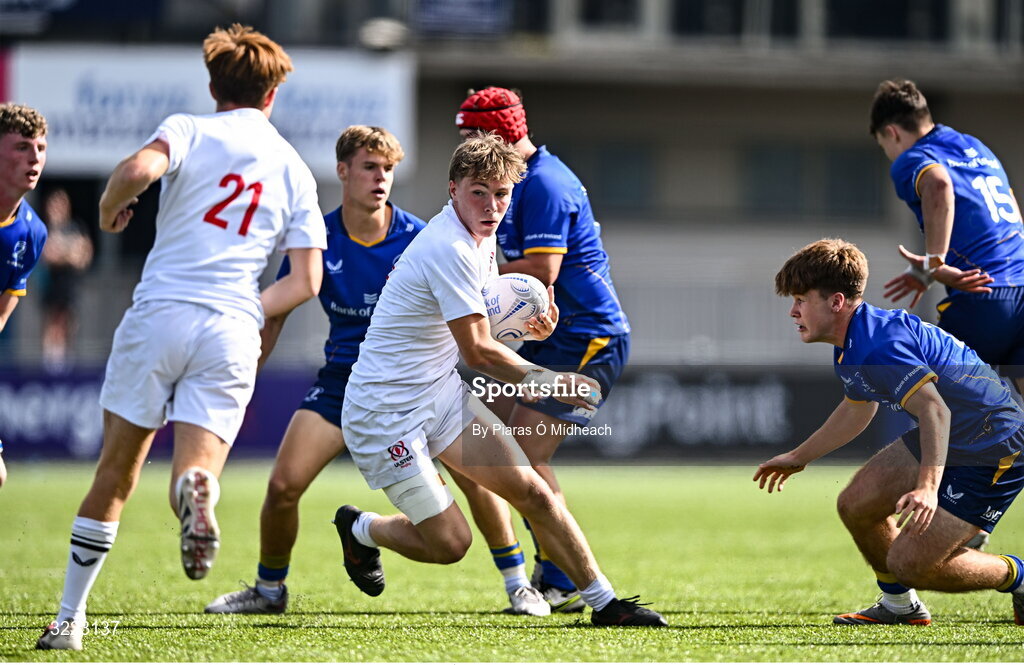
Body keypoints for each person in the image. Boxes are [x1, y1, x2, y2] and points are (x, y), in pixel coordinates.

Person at [37, 24, 326, 651]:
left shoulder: (191, 128)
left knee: (116, 470)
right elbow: (306, 279)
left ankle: (68, 620)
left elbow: (140, 168)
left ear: (214, 84)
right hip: (230, 328)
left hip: (162, 311)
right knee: (195, 469)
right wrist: (248, 308)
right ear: (273, 93)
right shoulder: (294, 169)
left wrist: (113, 208)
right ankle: (199, 494)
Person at [335, 133, 666, 627]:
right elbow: (477, 350)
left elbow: (487, 331)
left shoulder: (481, 237)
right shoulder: (449, 247)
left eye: (502, 193)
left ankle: (606, 603)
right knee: (451, 545)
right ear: (453, 190)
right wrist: (549, 380)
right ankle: (361, 529)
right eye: (479, 192)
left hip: (439, 393)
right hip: (383, 413)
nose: (492, 206)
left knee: (533, 491)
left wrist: (533, 332)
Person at [204, 125, 426, 614]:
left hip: (407, 387)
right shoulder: (317, 239)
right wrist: (244, 380)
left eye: (388, 169)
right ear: (343, 172)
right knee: (283, 487)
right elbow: (277, 311)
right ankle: (268, 591)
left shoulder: (419, 238)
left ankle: (518, 583)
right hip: (341, 385)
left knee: (476, 475)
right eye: (369, 167)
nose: (380, 178)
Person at [755, 238, 1024, 626]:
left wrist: (927, 488)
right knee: (856, 504)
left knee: (912, 563)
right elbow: (856, 407)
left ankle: (1018, 574)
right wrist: (799, 458)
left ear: (835, 302)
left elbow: (934, 409)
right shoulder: (853, 339)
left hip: (994, 444)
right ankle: (900, 606)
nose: (793, 311)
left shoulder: (877, 346)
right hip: (953, 431)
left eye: (800, 299)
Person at [451, 86, 631, 612]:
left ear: (495, 131)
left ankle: (560, 577)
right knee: (492, 446)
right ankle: (546, 572)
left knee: (527, 453)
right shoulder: (518, 180)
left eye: (470, 133)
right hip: (555, 335)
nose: (463, 142)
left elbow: (543, 271)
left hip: (589, 336)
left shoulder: (546, 183)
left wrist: (468, 279)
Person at [872, 80, 1024, 397]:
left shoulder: (912, 158)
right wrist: (925, 270)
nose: (889, 155)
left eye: (883, 146)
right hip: (1021, 288)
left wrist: (934, 261)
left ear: (892, 133)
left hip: (984, 295)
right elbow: (1009, 203)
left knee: (931, 403)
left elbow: (939, 185)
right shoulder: (976, 147)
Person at [0, 102, 49, 490]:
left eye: (41, 148)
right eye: (22, 147)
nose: (35, 158)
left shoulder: (33, 233)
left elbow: (5, 306)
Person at [41, 188, 93, 371]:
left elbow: (83, 256)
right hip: (52, 288)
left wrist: (65, 251)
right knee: (53, 325)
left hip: (71, 287)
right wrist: (69, 249)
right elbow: (49, 254)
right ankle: (51, 367)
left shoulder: (76, 227)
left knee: (69, 325)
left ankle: (66, 367)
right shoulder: (44, 229)